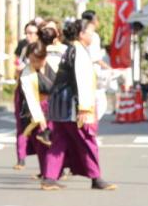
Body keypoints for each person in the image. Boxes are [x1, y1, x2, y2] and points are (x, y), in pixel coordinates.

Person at [44, 20, 116, 191]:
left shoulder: (71, 49)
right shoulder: (79, 52)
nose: (92, 35)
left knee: (59, 142)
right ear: (81, 34)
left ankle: (49, 177)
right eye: (90, 32)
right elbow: (82, 80)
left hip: (59, 103)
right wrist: (84, 108)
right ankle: (96, 177)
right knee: (87, 141)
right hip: (71, 105)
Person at [16, 42, 56, 182]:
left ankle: (55, 171)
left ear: (44, 57)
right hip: (36, 111)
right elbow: (31, 99)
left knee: (58, 141)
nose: (33, 63)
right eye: (31, 60)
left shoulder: (54, 65)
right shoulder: (27, 74)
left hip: (55, 107)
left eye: (36, 60)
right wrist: (41, 119)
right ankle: (47, 174)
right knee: (42, 144)